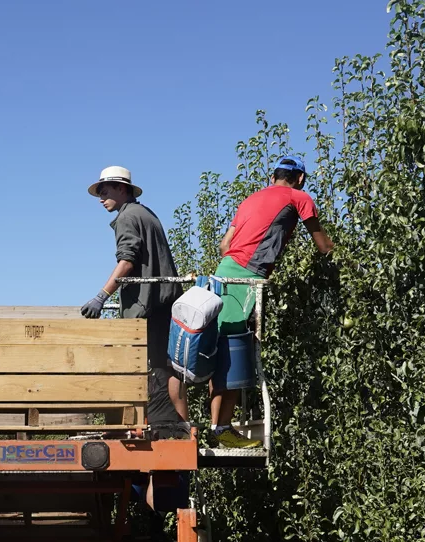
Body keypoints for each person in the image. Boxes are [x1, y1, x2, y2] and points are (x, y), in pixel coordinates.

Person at [210, 156, 334, 448]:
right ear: (300, 178)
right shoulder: (299, 197)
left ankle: (217, 427)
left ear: (273, 176)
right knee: (235, 350)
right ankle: (222, 428)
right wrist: (353, 267)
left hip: (223, 273)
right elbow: (324, 247)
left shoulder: (249, 200)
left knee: (221, 347)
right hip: (246, 277)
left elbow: (225, 245)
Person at [80, 166, 187, 428]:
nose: (101, 199)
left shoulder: (127, 217)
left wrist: (101, 296)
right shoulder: (146, 213)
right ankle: (180, 426)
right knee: (167, 366)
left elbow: (127, 260)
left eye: (105, 192)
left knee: (143, 367)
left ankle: (162, 427)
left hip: (147, 306)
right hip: (165, 302)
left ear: (122, 188)